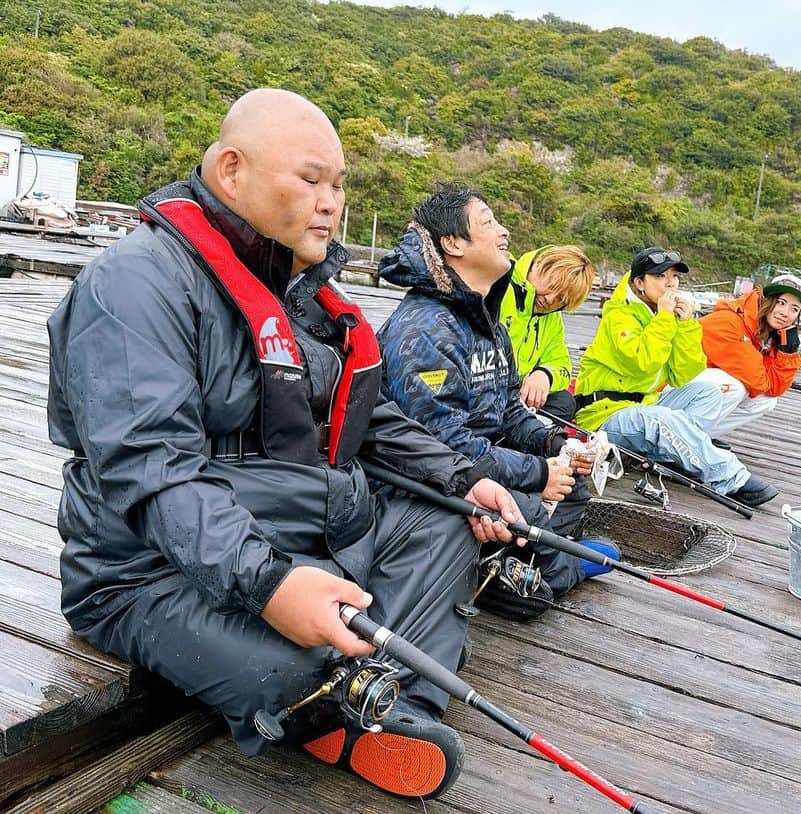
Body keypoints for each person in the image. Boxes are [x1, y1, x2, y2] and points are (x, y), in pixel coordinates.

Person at [46, 89, 525, 801]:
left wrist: (462, 476)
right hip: (147, 568)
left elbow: (370, 418)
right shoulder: (135, 283)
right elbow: (153, 472)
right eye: (310, 180)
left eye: (338, 184)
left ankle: (390, 712)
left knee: (441, 525)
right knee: (295, 670)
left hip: (300, 525)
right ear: (232, 170)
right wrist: (267, 583)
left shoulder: (299, 290)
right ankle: (348, 692)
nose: (330, 201)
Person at [377, 186, 619, 619]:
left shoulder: (487, 322)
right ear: (453, 244)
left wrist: (552, 446)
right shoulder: (425, 330)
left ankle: (520, 565)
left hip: (483, 461)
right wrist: (537, 473)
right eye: (488, 222)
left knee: (575, 484)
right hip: (430, 481)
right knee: (531, 582)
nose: (504, 232)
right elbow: (440, 444)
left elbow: (508, 409)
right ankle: (548, 572)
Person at [574, 247, 778, 508]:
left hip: (644, 405)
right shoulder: (619, 314)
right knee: (662, 419)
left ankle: (673, 455)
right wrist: (665, 318)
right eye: (660, 276)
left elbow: (684, 374)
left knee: (708, 393)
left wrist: (686, 324)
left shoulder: (661, 315)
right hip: (604, 415)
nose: (670, 283)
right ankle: (731, 478)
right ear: (639, 283)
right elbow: (642, 362)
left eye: (674, 277)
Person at [697, 273, 801, 436]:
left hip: (692, 390)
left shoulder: (765, 334)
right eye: (780, 303)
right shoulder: (728, 322)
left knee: (765, 402)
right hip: (665, 391)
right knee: (736, 387)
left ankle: (700, 436)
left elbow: (774, 389)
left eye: (794, 309)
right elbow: (758, 382)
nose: (785, 313)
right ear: (765, 300)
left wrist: (787, 352)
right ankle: (679, 436)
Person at [500, 244, 595, 424]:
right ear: (539, 264)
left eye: (561, 299)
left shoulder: (552, 319)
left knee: (564, 402)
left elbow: (562, 364)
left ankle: (517, 438)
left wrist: (545, 374)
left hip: (514, 398)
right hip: (483, 387)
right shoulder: (499, 282)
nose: (550, 299)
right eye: (552, 285)